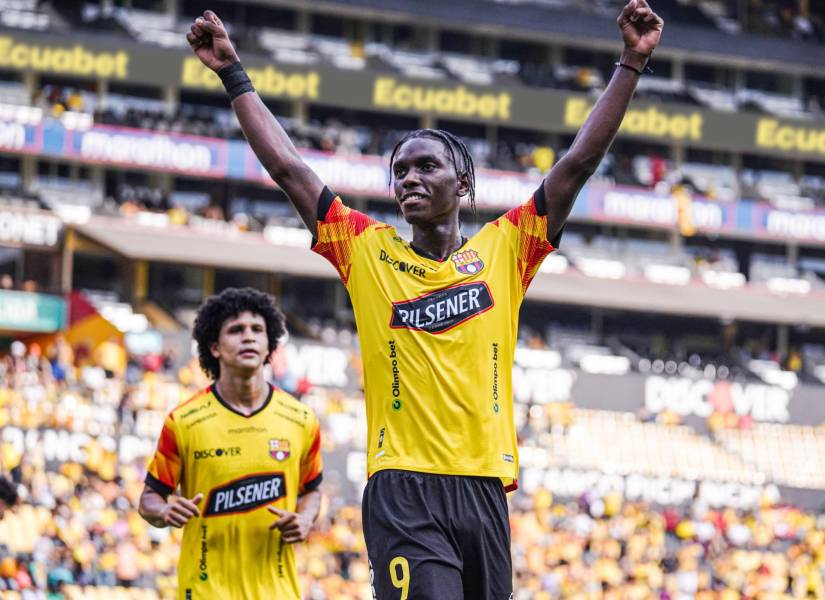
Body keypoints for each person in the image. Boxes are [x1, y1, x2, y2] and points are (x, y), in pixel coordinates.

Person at [186, 3, 662, 597]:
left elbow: (578, 164)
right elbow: (288, 168)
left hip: (485, 489)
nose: (408, 178)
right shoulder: (364, 248)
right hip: (403, 489)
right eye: (399, 170)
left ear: (462, 184)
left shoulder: (508, 247)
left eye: (425, 166)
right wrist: (234, 75)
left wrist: (631, 63)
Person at [138, 288, 323, 599]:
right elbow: (149, 499)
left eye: (257, 330)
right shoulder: (183, 422)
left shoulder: (301, 420)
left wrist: (305, 518)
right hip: (205, 591)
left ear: (269, 345)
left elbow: (313, 490)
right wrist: (164, 509)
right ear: (214, 347)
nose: (248, 337)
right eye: (236, 330)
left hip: (278, 592)